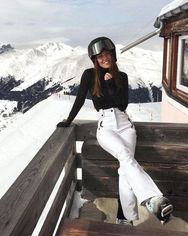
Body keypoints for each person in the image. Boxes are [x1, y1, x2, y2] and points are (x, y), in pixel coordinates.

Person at [57, 37, 173, 225]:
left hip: (126, 126)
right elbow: (79, 100)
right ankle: (152, 199)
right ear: (95, 59)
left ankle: (125, 220)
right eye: (101, 56)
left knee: (125, 170)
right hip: (106, 127)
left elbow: (122, 104)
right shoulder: (89, 75)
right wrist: (68, 121)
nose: (105, 58)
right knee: (125, 157)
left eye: (108, 54)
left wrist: (111, 84)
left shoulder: (122, 76)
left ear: (113, 56)